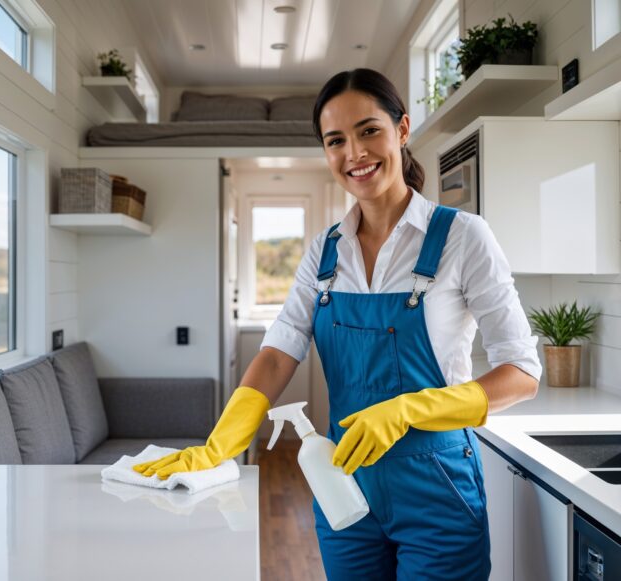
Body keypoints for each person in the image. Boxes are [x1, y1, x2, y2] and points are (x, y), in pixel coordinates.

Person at [134, 68, 541, 580]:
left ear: (402, 129)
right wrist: (222, 443)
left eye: (369, 130)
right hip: (342, 481)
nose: (355, 153)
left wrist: (411, 409)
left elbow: (522, 373)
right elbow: (280, 351)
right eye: (335, 140)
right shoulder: (325, 251)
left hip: (437, 485)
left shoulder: (464, 237)